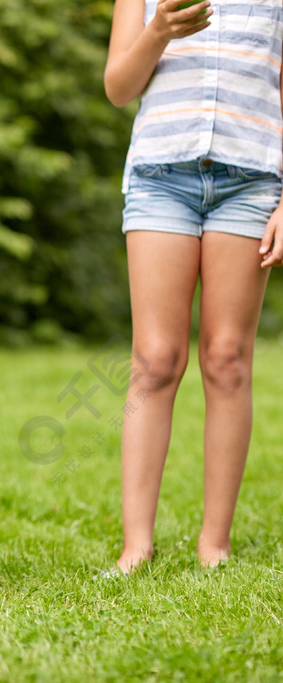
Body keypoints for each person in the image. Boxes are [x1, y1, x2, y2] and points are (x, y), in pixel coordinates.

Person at [104, 0, 283, 573]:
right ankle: (137, 547)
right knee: (155, 360)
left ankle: (215, 545)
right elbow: (117, 87)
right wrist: (158, 29)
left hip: (253, 180)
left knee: (228, 358)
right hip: (161, 177)